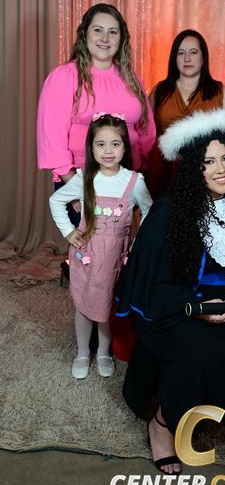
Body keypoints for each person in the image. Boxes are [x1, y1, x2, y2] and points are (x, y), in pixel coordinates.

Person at [116, 109, 225, 475]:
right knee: (200, 355)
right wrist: (199, 309)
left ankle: (216, 412)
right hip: (179, 309)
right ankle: (162, 424)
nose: (220, 169)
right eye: (209, 162)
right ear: (194, 169)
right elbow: (157, 287)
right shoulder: (169, 213)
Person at [49, 114, 153, 379]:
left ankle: (104, 352)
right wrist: (69, 231)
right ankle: (83, 352)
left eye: (115, 144)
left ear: (125, 147)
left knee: (107, 306)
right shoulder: (84, 178)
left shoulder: (134, 181)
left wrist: (138, 242)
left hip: (115, 260)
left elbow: (150, 212)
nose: (108, 151)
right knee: (84, 305)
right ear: (91, 148)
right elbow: (56, 201)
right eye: (101, 144)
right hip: (87, 256)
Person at [38, 2, 155, 223]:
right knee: (89, 242)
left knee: (123, 242)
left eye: (113, 32)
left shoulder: (131, 78)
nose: (105, 38)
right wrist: (75, 187)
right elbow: (52, 137)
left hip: (125, 178)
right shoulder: (64, 76)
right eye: (98, 30)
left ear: (121, 38)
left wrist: (141, 175)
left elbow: (146, 130)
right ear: (85, 34)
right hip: (80, 179)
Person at [150, 29, 225, 134]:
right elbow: (145, 131)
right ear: (174, 58)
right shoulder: (159, 90)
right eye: (181, 53)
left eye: (193, 52)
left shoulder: (219, 92)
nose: (187, 59)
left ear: (203, 56)